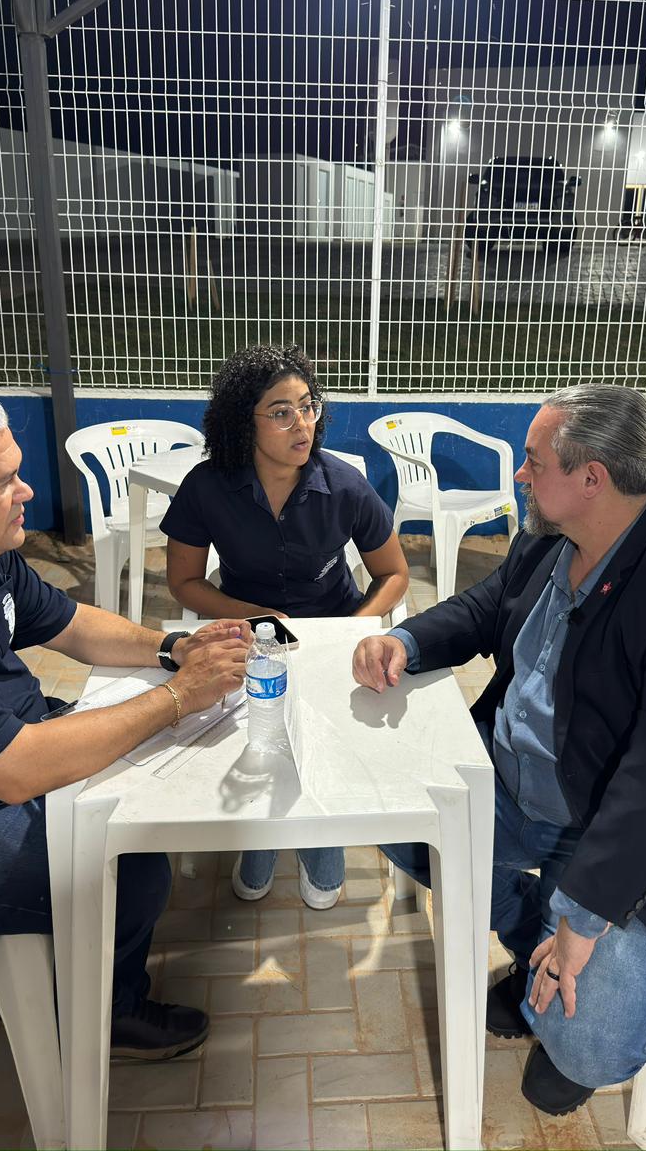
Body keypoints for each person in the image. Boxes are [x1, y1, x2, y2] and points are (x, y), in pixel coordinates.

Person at [352, 385, 646, 1117]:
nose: (520, 474)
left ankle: (561, 938)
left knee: (584, 1047)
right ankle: (535, 929)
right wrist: (403, 639)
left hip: (625, 824)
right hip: (520, 787)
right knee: (389, 811)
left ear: (592, 477)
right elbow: (485, 607)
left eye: (534, 461)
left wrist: (586, 916)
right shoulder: (548, 538)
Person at [0, 387, 252, 1061]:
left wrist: (172, 648)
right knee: (123, 860)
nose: (27, 492)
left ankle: (50, 978)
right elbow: (19, 769)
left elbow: (70, 623)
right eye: (3, 482)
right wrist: (176, 697)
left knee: (153, 789)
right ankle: (95, 1015)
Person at [164, 344, 409, 910]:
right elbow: (184, 582)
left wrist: (352, 629)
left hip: (333, 629)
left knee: (325, 734)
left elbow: (394, 573)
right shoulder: (207, 486)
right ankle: (261, 838)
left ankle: (322, 841)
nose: (302, 424)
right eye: (280, 412)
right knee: (257, 734)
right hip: (245, 634)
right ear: (242, 423)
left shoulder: (343, 485)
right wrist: (248, 615)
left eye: (308, 405)